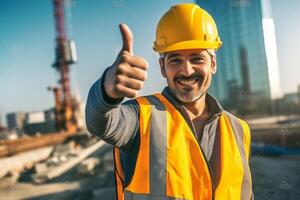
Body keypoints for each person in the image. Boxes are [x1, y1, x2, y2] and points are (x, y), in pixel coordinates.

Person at [86, 3, 253, 200]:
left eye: (197, 58)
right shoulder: (140, 117)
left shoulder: (239, 129)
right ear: (163, 67)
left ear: (213, 64)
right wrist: (106, 92)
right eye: (175, 60)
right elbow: (100, 123)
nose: (187, 70)